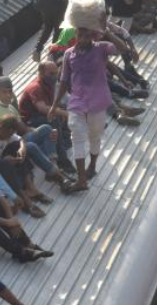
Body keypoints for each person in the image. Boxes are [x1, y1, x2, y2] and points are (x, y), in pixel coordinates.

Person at [52, 27, 129, 192]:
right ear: (76, 35)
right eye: (80, 34)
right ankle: (81, 180)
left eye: (88, 34)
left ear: (93, 35)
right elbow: (64, 80)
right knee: (77, 136)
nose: (84, 38)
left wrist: (107, 31)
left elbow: (122, 48)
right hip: (77, 102)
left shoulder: (102, 48)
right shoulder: (68, 54)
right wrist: (54, 105)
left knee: (94, 137)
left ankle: (92, 166)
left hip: (97, 102)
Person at [19, 59, 74, 173]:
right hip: (30, 122)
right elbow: (42, 108)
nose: (54, 76)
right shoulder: (35, 87)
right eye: (51, 74)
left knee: (60, 114)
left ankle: (62, 141)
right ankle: (62, 160)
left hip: (40, 116)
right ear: (41, 73)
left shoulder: (49, 84)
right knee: (54, 119)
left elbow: (51, 104)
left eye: (56, 73)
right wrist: (64, 113)